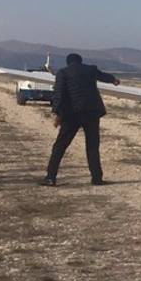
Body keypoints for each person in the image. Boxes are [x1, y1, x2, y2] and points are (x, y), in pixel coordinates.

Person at [42, 53, 120, 186]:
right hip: (91, 113)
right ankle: (96, 178)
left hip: (72, 114)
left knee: (60, 146)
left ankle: (51, 177)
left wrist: (56, 113)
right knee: (92, 146)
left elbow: (58, 94)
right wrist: (114, 80)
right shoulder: (90, 69)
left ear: (68, 62)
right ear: (80, 61)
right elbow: (103, 76)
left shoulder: (63, 73)